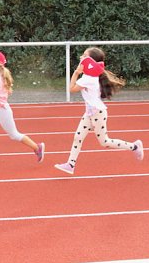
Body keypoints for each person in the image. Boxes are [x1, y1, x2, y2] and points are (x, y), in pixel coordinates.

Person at [54, 47, 143, 175]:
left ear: (91, 62)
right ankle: (70, 164)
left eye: (84, 56)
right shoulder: (89, 76)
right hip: (90, 113)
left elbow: (71, 89)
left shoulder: (88, 79)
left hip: (97, 113)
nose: (81, 58)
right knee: (78, 137)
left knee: (105, 142)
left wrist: (76, 73)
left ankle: (134, 146)